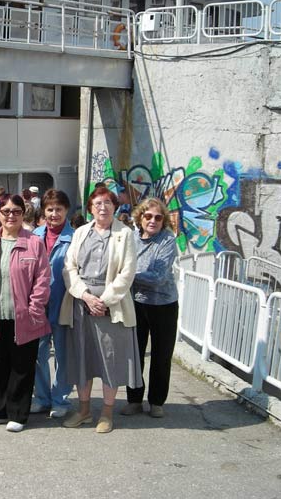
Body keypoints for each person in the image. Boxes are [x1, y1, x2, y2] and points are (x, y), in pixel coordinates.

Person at [61, 184, 141, 434]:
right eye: (97, 203)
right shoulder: (81, 232)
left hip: (110, 306)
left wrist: (103, 301)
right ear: (90, 208)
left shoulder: (125, 234)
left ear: (115, 206)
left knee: (109, 360)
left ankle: (107, 412)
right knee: (82, 358)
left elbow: (127, 272)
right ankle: (84, 410)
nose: (103, 207)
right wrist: (85, 296)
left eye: (107, 202)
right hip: (81, 304)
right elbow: (69, 268)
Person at [0, 194, 51, 432]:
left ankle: (18, 414)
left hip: (23, 318)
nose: (11, 216)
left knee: (22, 367)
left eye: (16, 211)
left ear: (23, 213)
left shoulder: (34, 243)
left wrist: (34, 309)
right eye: (6, 211)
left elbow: (42, 280)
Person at [121, 198, 178, 419]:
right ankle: (134, 400)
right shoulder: (131, 237)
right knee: (134, 354)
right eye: (148, 216)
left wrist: (127, 276)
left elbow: (158, 277)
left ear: (163, 221)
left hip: (163, 305)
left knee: (162, 355)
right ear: (140, 217)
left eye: (158, 217)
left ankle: (156, 401)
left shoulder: (167, 240)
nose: (153, 221)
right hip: (136, 303)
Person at [31, 189, 75, 418]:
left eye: (59, 209)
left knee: (62, 354)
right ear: (43, 211)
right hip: (38, 304)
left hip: (63, 301)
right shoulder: (34, 235)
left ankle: (60, 399)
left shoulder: (75, 237)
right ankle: (41, 397)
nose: (54, 214)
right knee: (38, 353)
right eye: (50, 209)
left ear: (66, 210)